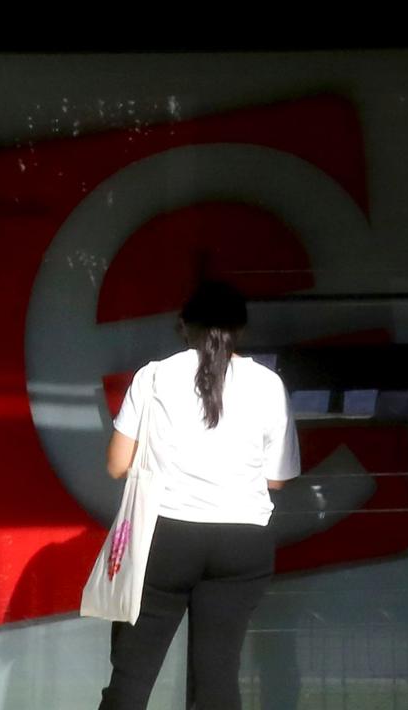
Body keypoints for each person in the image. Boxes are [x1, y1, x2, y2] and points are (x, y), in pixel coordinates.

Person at [99, 281, 301, 710]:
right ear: (241, 330)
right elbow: (279, 478)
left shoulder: (153, 376)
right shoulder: (268, 385)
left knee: (133, 676)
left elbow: (117, 464)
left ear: (183, 327)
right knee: (218, 679)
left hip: (164, 535)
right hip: (242, 542)